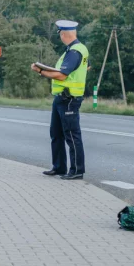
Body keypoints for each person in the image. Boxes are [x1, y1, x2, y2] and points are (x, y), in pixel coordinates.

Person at [32, 20, 90, 180]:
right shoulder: (74, 50)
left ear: (64, 34)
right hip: (61, 98)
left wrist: (40, 71)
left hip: (69, 98)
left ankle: (77, 170)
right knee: (56, 133)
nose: (60, 37)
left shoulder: (74, 52)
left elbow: (61, 75)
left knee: (72, 135)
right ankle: (59, 167)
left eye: (60, 35)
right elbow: (87, 67)